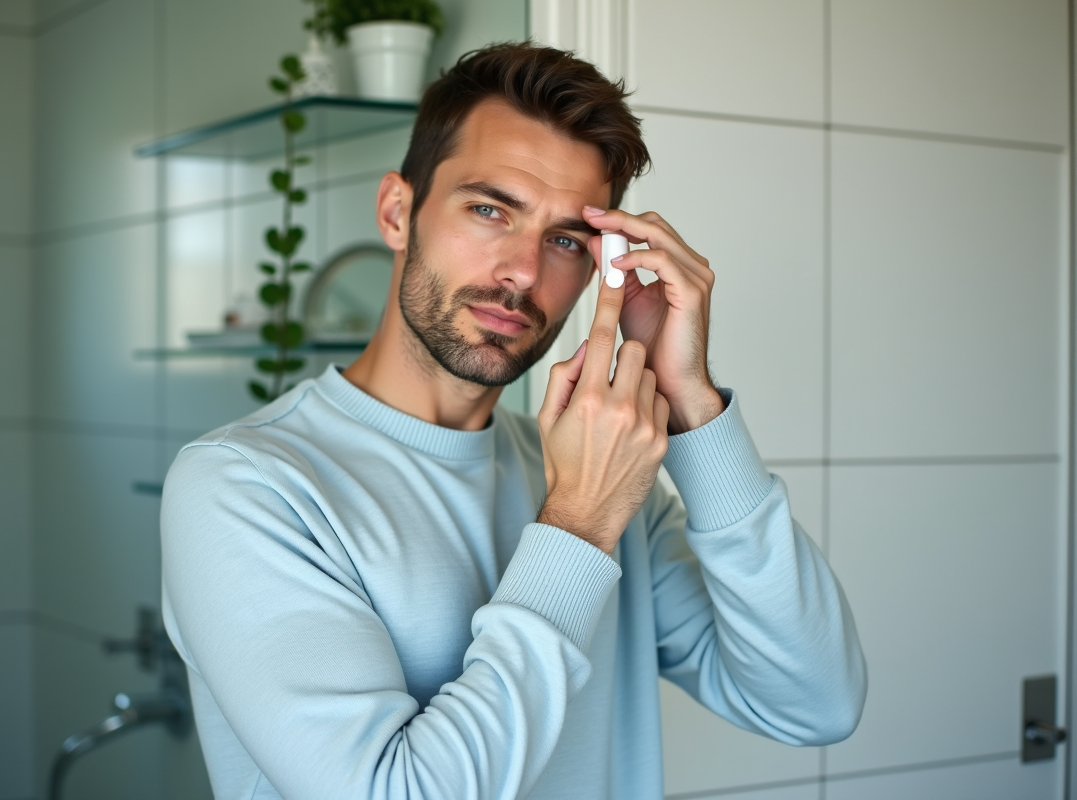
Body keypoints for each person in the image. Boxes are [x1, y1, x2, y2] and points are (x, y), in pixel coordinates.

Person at [161, 43, 867, 800]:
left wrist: (690, 404)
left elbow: (815, 702)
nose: (523, 271)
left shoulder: (593, 476)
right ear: (399, 213)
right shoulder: (247, 485)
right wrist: (579, 528)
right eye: (490, 209)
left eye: (566, 239)